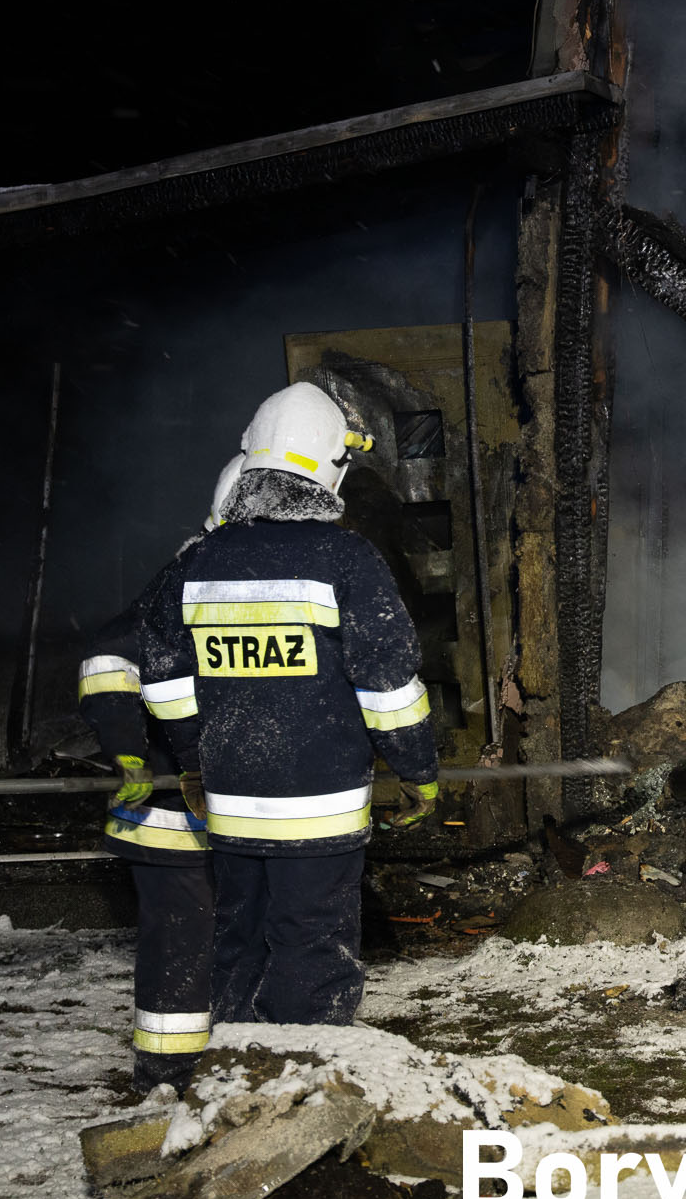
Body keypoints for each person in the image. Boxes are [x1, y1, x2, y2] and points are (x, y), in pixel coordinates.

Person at [153, 381, 441, 1026]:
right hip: (321, 800)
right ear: (333, 467)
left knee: (238, 935)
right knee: (312, 941)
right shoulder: (345, 559)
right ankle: (307, 1077)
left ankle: (230, 1066)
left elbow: (167, 686)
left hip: (230, 796)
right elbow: (389, 685)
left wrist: (193, 765)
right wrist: (419, 772)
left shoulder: (194, 562)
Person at [71, 454, 241, 1092]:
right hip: (168, 816)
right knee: (180, 940)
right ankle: (168, 1070)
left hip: (237, 809)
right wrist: (127, 747)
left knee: (231, 937)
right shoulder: (187, 579)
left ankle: (231, 1056)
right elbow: (109, 659)